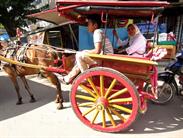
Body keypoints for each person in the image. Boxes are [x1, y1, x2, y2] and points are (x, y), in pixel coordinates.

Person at [60, 15, 114, 84]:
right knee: (80, 57)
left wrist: (85, 52)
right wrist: (85, 51)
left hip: (104, 59)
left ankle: (86, 78)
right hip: (105, 57)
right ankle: (68, 78)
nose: (87, 26)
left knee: (79, 55)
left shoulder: (97, 32)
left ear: (95, 25)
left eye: (88, 24)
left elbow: (97, 51)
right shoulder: (99, 31)